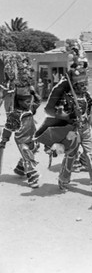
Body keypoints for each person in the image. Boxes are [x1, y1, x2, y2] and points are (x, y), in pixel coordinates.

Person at [36, 42, 92, 197]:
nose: (84, 86)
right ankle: (63, 180)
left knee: (91, 155)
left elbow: (89, 114)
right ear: (74, 83)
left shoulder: (88, 97)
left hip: (85, 130)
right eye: (81, 84)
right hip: (71, 130)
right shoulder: (66, 94)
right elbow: (52, 111)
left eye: (85, 83)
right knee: (71, 155)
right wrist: (67, 115)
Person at [0, 58, 42, 188]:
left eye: (29, 100)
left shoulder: (30, 109)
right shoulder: (14, 114)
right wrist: (4, 140)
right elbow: (8, 128)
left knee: (34, 148)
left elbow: (38, 101)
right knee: (26, 152)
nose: (28, 102)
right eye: (24, 100)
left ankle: (20, 168)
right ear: (18, 100)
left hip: (32, 133)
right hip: (21, 138)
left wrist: (34, 92)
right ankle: (32, 177)